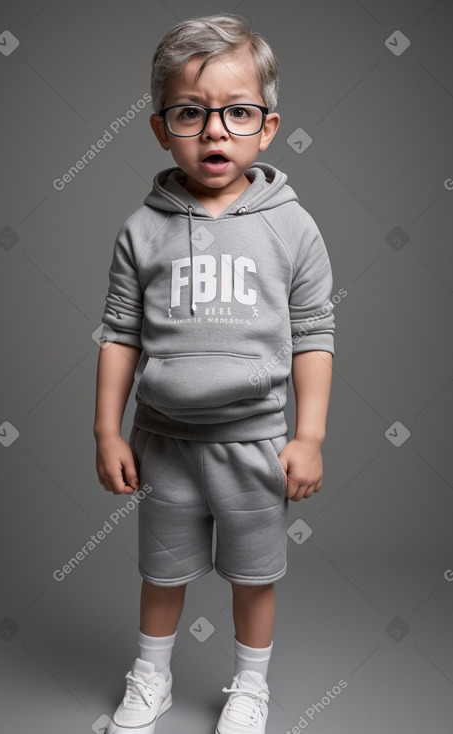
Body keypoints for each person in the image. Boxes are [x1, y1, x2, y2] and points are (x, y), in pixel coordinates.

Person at [94, 13, 335, 734]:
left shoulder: (291, 226)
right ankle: (151, 677)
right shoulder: (143, 230)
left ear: (267, 127)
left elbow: (314, 334)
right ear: (160, 127)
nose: (214, 131)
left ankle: (250, 686)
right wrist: (107, 429)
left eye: (237, 112)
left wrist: (310, 434)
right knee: (161, 573)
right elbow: (118, 333)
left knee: (254, 575)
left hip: (255, 443)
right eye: (190, 113)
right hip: (163, 442)